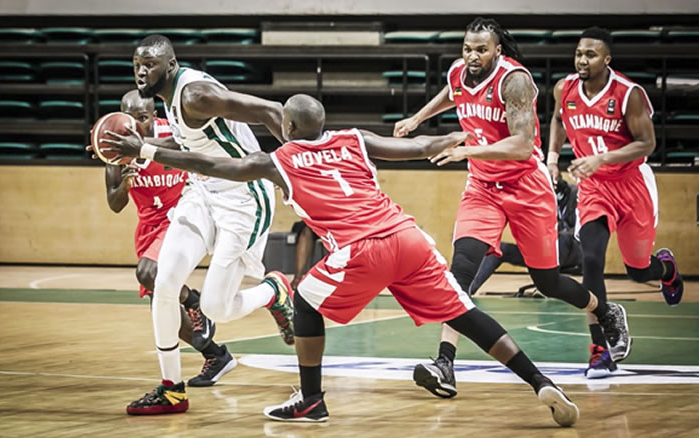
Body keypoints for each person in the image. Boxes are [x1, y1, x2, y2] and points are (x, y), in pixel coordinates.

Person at [106, 93, 580, 428]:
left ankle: (311, 400)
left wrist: (146, 149)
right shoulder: (354, 138)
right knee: (466, 314)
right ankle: (539, 383)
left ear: (287, 128)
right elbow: (415, 148)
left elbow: (217, 167)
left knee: (307, 306)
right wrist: (455, 139)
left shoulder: (281, 158)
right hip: (408, 235)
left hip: (362, 249)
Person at [393, 17, 630, 398]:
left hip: (526, 187)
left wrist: (467, 149)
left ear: (497, 50)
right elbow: (451, 93)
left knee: (546, 281)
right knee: (458, 277)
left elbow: (521, 144)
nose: (472, 55)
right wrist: (417, 119)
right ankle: (445, 364)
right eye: (467, 48)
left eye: (481, 49)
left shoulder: (514, 80)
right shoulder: (459, 71)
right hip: (483, 187)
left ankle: (602, 310)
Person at [99, 35, 295, 415]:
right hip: (204, 192)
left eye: (150, 65)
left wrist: (295, 168)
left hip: (243, 197)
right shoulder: (168, 99)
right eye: (137, 64)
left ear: (170, 66)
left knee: (217, 307)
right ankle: (172, 389)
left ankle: (274, 291)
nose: (141, 71)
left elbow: (272, 109)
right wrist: (139, 146)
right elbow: (194, 145)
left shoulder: (195, 94)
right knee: (163, 281)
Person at [548, 27, 683, 378]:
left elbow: (647, 143)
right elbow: (559, 119)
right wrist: (552, 156)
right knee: (589, 260)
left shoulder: (628, 94)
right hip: (594, 188)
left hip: (632, 184)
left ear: (606, 59)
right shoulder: (565, 89)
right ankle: (599, 349)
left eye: (590, 55)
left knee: (638, 271)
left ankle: (666, 269)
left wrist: (602, 159)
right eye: (579, 53)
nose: (582, 60)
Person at [103, 90, 233, 389]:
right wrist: (125, 180)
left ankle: (195, 301)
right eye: (130, 119)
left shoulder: (170, 132)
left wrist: (143, 148)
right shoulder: (116, 143)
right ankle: (217, 355)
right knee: (162, 308)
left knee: (148, 273)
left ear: (155, 114)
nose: (137, 125)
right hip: (149, 225)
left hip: (182, 214)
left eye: (143, 118)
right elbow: (114, 202)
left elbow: (187, 145)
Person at [469, 178, 582, 295]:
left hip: (571, 251)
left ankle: (547, 285)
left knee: (562, 237)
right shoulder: (533, 198)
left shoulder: (575, 195)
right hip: (542, 250)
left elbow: (580, 230)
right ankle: (468, 289)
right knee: (500, 249)